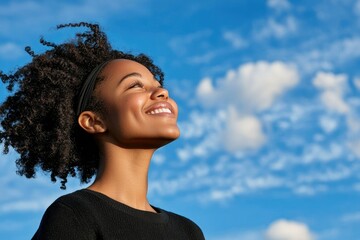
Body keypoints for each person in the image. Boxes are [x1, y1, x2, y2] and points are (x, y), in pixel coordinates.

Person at [0, 22, 205, 240]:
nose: (162, 91)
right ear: (93, 122)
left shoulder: (189, 232)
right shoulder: (74, 215)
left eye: (157, 85)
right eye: (135, 85)